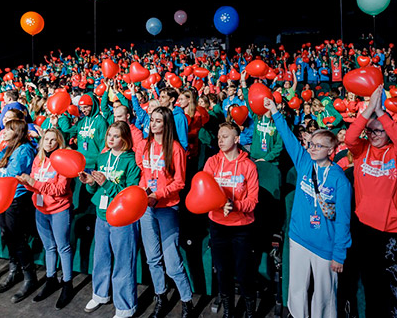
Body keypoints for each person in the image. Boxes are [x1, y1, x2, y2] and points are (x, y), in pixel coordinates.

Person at [264, 97, 351, 318]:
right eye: (311, 144)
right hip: (299, 238)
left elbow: (343, 220)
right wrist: (274, 110)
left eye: (318, 146)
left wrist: (339, 254)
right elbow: (288, 137)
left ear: (331, 150)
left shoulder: (339, 179)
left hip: (325, 245)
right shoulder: (304, 162)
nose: (312, 148)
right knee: (296, 290)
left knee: (324, 296)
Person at [345, 84, 397, 317]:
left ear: (388, 131)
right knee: (372, 283)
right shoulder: (361, 150)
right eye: (370, 131)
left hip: (396, 228)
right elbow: (350, 137)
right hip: (366, 228)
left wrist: (381, 113)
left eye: (379, 131)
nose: (373, 135)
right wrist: (368, 111)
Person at [135, 107, 194, 318]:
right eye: (152, 120)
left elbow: (180, 182)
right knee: (152, 259)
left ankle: (187, 301)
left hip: (167, 207)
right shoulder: (145, 145)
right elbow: (143, 173)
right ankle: (161, 297)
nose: (153, 124)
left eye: (158, 121)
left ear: (166, 124)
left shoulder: (175, 148)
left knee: (172, 263)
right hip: (147, 207)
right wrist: (144, 190)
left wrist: (158, 194)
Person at [81, 121, 141, 317]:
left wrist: (106, 184)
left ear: (125, 138)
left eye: (116, 136)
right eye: (109, 135)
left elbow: (130, 193)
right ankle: (100, 295)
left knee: (123, 261)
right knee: (100, 257)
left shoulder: (131, 160)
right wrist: (90, 183)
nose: (111, 139)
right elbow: (95, 190)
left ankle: (125, 306)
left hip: (123, 218)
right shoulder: (102, 157)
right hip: (102, 214)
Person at [202, 122, 260, 317]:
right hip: (218, 225)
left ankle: (250, 311)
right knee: (222, 270)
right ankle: (228, 310)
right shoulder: (212, 162)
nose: (220, 140)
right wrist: (219, 204)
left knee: (244, 272)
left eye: (225, 136)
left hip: (241, 227)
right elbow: (204, 194)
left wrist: (235, 205)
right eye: (219, 136)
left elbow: (253, 201)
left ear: (236, 139)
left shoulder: (249, 166)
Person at [16, 128, 75, 309]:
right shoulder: (38, 159)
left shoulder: (63, 161)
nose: (48, 143)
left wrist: (33, 183)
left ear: (59, 142)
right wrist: (27, 183)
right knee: (49, 247)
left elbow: (60, 189)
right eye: (46, 139)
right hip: (41, 209)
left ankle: (67, 284)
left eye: (53, 140)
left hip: (59, 209)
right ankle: (51, 279)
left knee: (63, 247)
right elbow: (36, 186)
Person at [0, 119, 38, 302]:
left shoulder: (24, 150)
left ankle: (30, 278)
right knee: (8, 237)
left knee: (17, 240)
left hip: (15, 200)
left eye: (8, 129)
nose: (3, 132)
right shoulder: (8, 148)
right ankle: (15, 271)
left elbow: (12, 176)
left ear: (18, 132)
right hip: (4, 200)